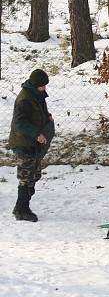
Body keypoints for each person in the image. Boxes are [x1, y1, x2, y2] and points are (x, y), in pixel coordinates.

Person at [8, 69, 54, 222]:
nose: (44, 89)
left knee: (35, 175)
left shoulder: (37, 95)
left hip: (33, 143)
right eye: (42, 86)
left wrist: (46, 117)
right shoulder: (25, 99)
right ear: (36, 85)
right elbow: (19, 122)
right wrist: (36, 134)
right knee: (26, 177)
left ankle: (20, 207)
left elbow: (37, 113)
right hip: (24, 143)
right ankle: (22, 209)